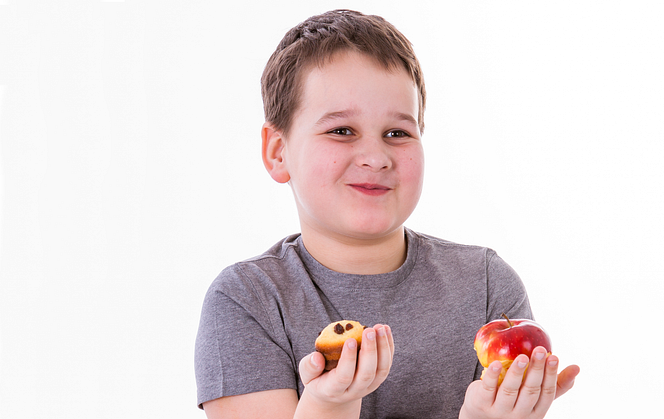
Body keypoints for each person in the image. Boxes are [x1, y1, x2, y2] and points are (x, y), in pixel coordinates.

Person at [194, 9, 579, 419]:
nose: (376, 158)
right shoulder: (247, 301)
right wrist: (329, 405)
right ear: (277, 151)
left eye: (397, 133)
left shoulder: (485, 283)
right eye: (341, 131)